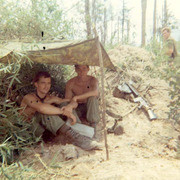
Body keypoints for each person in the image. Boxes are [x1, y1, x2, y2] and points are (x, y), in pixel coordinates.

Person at [20, 71, 101, 151]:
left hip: (47, 133)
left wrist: (69, 106)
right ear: (36, 84)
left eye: (48, 83)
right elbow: (42, 108)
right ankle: (77, 137)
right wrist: (63, 112)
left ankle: (79, 134)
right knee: (45, 113)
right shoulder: (29, 97)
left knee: (64, 104)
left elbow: (71, 101)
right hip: (30, 132)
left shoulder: (50, 98)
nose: (46, 86)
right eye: (43, 83)